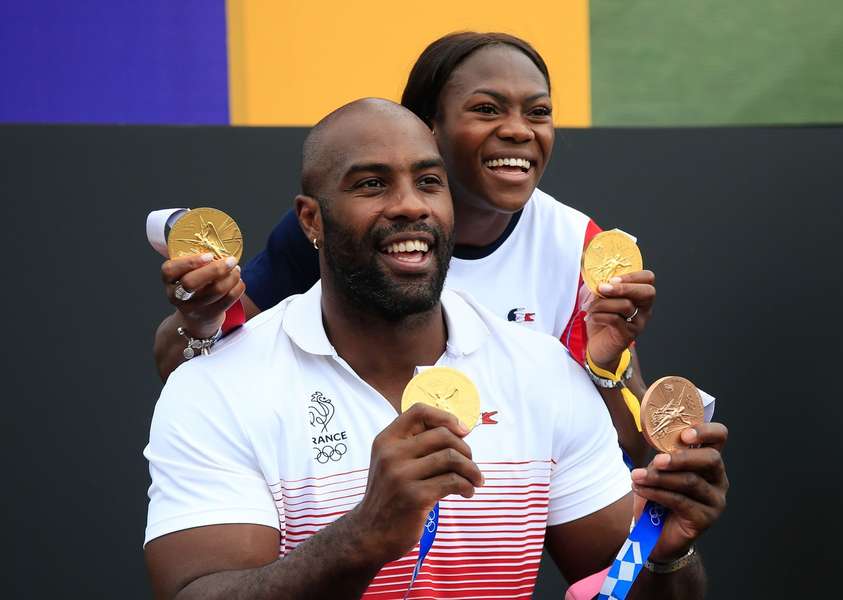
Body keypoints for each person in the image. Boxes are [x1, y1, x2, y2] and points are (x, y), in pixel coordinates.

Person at [144, 99, 729, 599]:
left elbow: (615, 585)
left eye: (429, 182)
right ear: (311, 220)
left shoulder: (543, 371)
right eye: (372, 184)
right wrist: (364, 535)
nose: (410, 205)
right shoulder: (216, 386)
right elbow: (198, 589)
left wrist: (664, 554)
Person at [153, 32, 660, 466]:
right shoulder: (343, 226)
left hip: (498, 513)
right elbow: (187, 366)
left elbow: (638, 443)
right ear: (425, 127)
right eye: (486, 109)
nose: (518, 129)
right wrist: (199, 321)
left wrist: (607, 371)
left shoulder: (578, 246)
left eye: (539, 111)